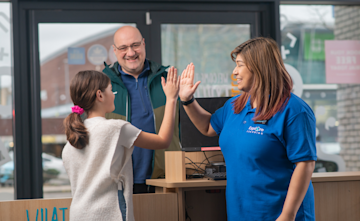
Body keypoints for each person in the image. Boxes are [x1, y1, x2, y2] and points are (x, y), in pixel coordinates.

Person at [178, 37, 317, 221]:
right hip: (241, 213)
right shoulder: (235, 106)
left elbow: (305, 164)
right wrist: (187, 100)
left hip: (280, 215)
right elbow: (208, 127)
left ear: (259, 67)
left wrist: (287, 215)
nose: (234, 72)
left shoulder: (294, 110)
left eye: (240, 65)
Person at [62, 68, 180, 221]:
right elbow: (163, 140)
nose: (114, 95)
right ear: (100, 95)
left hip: (78, 214)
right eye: (111, 90)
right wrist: (171, 99)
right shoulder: (116, 128)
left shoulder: (71, 141)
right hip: (109, 214)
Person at [102, 26, 181, 194]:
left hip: (165, 179)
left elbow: (184, 129)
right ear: (114, 51)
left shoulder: (168, 81)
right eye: (123, 48)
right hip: (119, 181)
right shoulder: (103, 86)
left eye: (135, 45)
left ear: (144, 44)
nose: (131, 53)